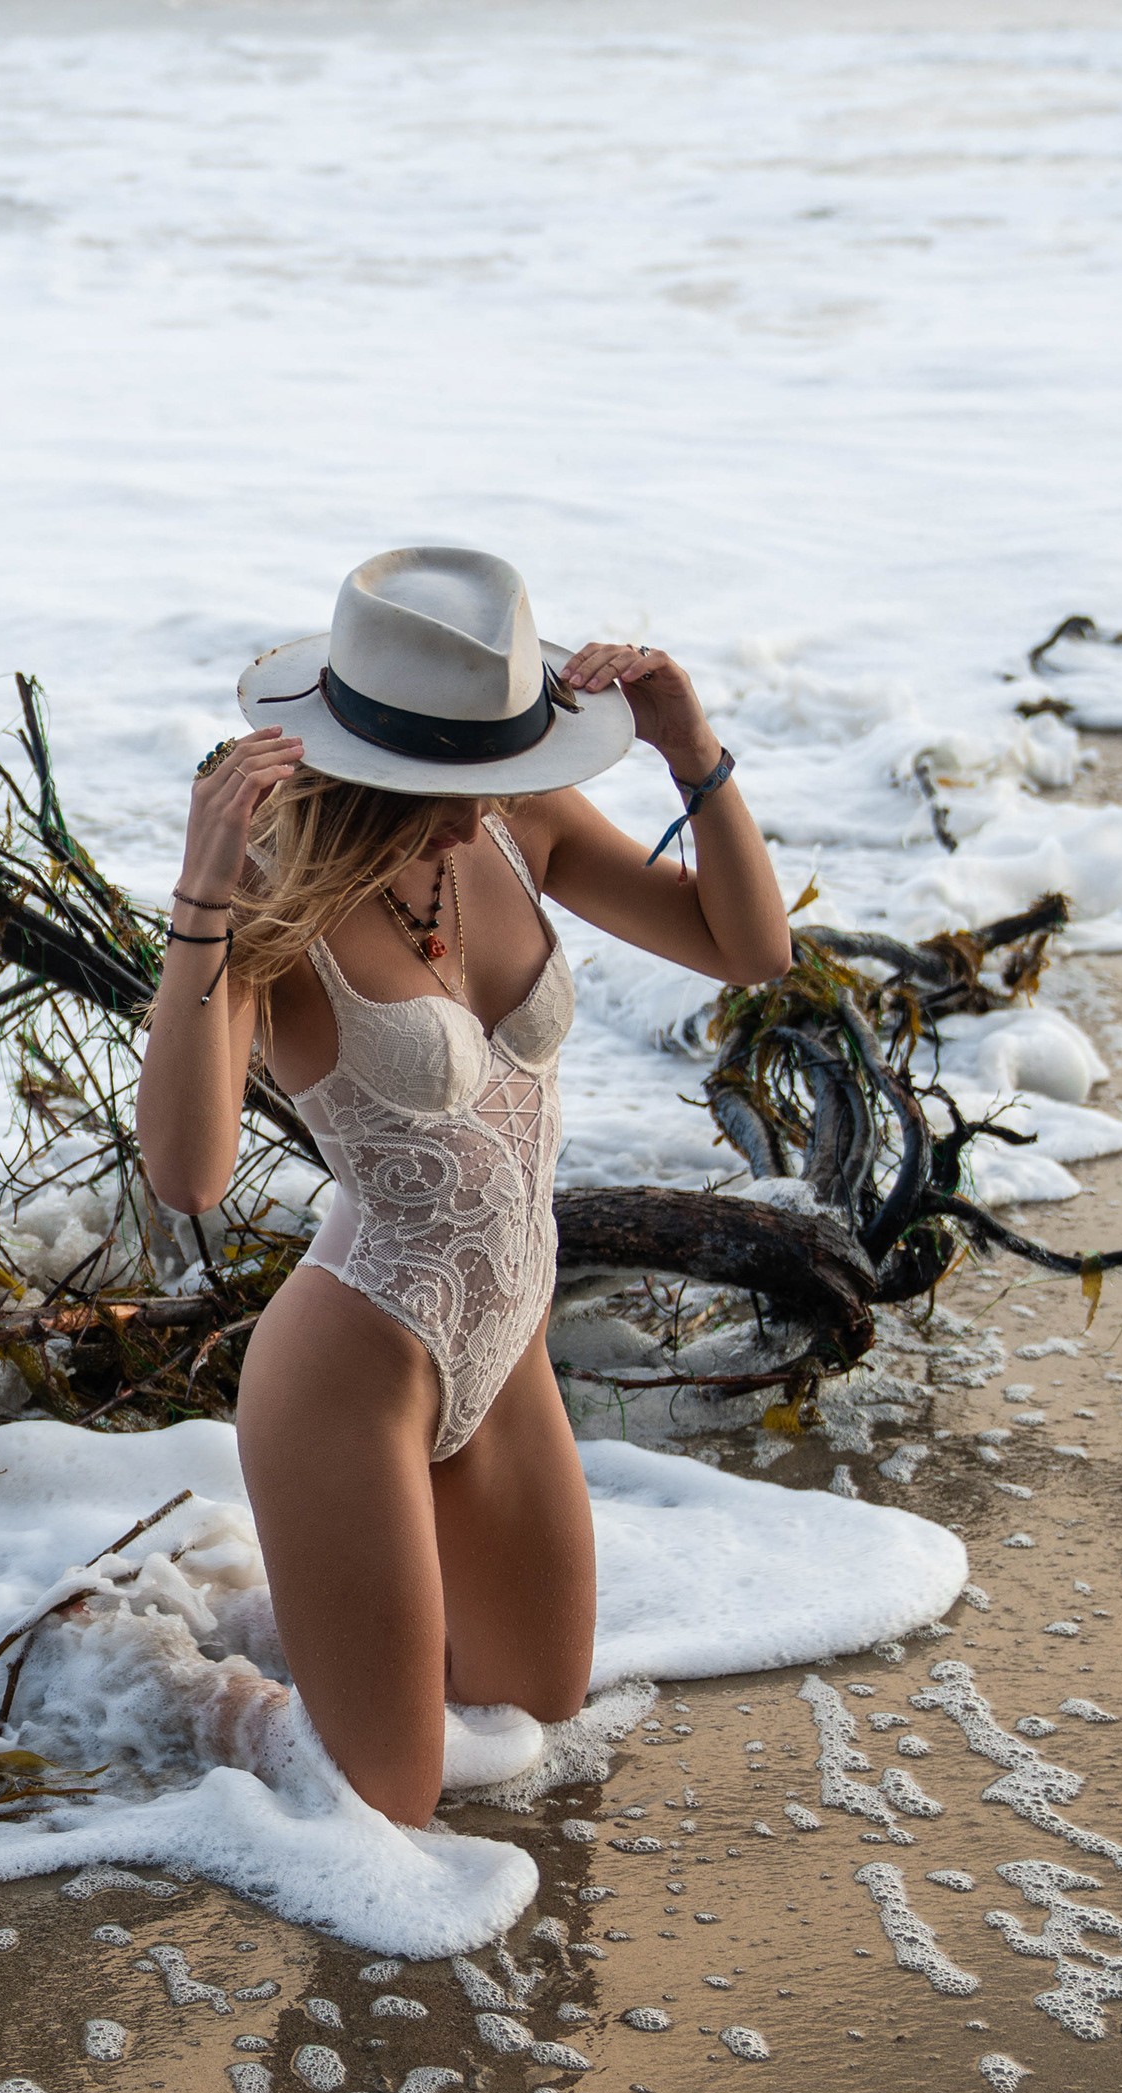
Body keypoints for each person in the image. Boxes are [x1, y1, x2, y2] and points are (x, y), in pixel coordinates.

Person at [135, 547, 791, 1826]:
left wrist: (689, 748)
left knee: (532, 1725)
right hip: (352, 1374)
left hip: (506, 1355)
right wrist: (201, 891)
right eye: (439, 781)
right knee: (392, 1799)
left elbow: (748, 946)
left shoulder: (515, 820)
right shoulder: (270, 889)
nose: (470, 808)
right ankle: (147, 1685)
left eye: (492, 769)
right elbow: (187, 1171)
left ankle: (322, 1626)